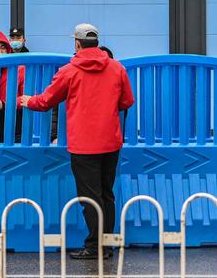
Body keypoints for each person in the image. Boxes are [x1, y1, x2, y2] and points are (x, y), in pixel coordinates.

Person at [19, 24, 135, 260]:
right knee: (106, 194)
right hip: (111, 142)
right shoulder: (117, 68)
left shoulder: (69, 71)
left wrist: (28, 100)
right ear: (97, 42)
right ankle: (106, 245)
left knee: (89, 197)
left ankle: (94, 247)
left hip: (84, 145)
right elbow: (127, 102)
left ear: (77, 44)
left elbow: (46, 101)